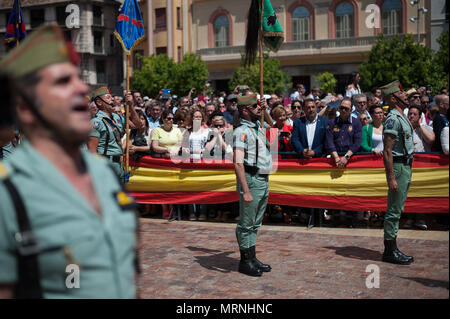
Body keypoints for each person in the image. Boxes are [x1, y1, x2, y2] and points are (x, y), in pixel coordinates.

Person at [0, 23, 138, 298]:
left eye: (77, 77)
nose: (80, 88)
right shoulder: (10, 192)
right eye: (63, 81)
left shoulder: (103, 174)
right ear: (26, 107)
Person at [233, 93, 272, 277]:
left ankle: (252, 256)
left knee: (256, 222)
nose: (258, 109)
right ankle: (245, 261)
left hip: (263, 178)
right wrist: (246, 190)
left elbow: (273, 125)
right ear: (244, 110)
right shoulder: (241, 131)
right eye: (255, 107)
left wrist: (266, 110)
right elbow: (238, 163)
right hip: (251, 179)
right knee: (246, 224)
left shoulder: (257, 125)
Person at [380, 80, 415, 265]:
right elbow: (387, 151)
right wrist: (391, 177)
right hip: (399, 167)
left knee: (398, 208)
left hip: (406, 165)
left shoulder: (402, 116)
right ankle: (389, 250)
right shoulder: (393, 118)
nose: (405, 95)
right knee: (394, 210)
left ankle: (392, 248)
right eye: (401, 93)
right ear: (393, 98)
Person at [87, 87, 141, 180]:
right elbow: (92, 151)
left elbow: (137, 125)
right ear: (99, 103)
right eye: (108, 97)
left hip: (119, 164)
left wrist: (131, 105)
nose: (112, 99)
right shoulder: (96, 123)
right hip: (106, 164)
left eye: (112, 97)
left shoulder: (117, 117)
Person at [325, 98, 362, 168]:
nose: (343, 110)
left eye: (346, 109)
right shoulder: (331, 123)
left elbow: (357, 144)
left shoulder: (356, 123)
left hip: (351, 158)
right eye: (341, 108)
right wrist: (336, 157)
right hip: (334, 158)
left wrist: (346, 157)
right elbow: (329, 141)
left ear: (351, 110)